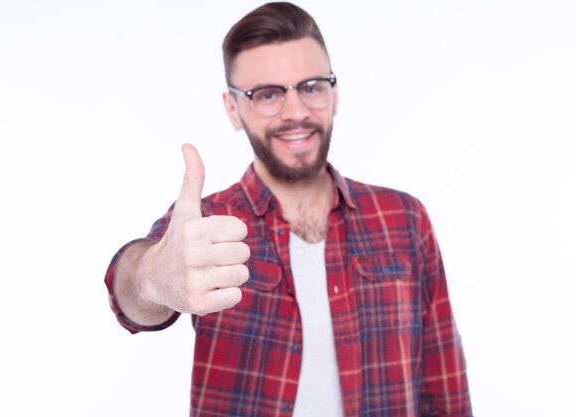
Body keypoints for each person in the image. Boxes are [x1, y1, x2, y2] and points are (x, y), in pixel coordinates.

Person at [105, 2, 472, 416]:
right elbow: (132, 294)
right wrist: (152, 276)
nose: (295, 112)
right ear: (233, 110)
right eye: (267, 94)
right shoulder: (206, 224)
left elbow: (445, 388)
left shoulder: (405, 219)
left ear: (335, 94)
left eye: (311, 86)